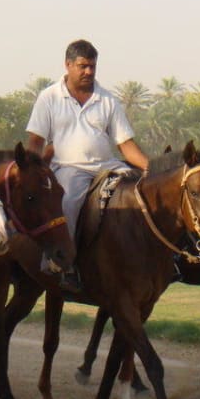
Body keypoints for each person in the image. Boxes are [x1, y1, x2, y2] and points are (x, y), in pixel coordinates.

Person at [26, 39, 149, 292]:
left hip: (109, 166)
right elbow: (35, 142)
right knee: (69, 201)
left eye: (92, 66)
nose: (89, 72)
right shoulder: (49, 98)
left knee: (142, 193)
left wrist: (151, 170)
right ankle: (64, 265)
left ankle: (160, 259)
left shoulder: (108, 100)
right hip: (69, 168)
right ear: (68, 65)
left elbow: (126, 146)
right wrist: (30, 173)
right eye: (83, 66)